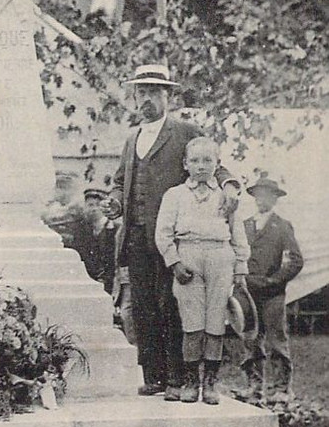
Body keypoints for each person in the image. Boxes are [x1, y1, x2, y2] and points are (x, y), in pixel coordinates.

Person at [102, 63, 239, 400]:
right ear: (134, 97)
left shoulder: (184, 131)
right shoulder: (132, 137)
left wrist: (230, 185)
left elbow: (214, 163)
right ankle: (154, 377)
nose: (146, 99)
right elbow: (121, 182)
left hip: (175, 242)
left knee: (174, 307)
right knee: (144, 308)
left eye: (153, 92)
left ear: (168, 96)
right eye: (141, 92)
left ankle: (180, 379)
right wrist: (115, 202)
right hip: (136, 238)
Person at [155, 137, 249, 405]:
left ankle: (210, 382)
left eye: (207, 160)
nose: (201, 166)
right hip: (188, 255)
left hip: (220, 255)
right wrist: (174, 262)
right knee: (192, 322)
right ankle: (190, 381)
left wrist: (240, 267)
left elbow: (237, 233)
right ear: (185, 164)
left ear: (217, 164)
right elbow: (162, 234)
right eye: (195, 160)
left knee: (215, 321)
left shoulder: (226, 196)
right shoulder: (174, 195)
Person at [236, 175, 304, 407]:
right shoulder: (243, 225)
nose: (263, 199)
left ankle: (281, 390)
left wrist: (275, 280)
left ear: (275, 198)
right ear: (254, 196)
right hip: (247, 292)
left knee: (276, 342)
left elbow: (295, 260)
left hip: (272, 294)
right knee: (250, 340)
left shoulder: (282, 226)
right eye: (259, 194)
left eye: (268, 195)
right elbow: (234, 254)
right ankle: (254, 388)